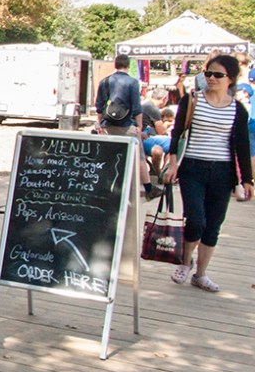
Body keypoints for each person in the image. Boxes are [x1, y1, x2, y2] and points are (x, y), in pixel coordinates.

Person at [164, 54, 253, 292]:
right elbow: (177, 134)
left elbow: (242, 146)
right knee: (196, 220)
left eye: (218, 75)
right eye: (208, 74)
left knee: (213, 224)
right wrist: (172, 163)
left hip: (222, 172)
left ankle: (200, 274)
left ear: (231, 80)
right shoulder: (192, 100)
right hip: (192, 167)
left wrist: (247, 179)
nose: (211, 79)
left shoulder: (238, 110)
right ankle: (185, 262)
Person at [96, 54, 160, 200]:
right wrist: (138, 126)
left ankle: (106, 188)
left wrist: (99, 123)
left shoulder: (104, 81)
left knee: (109, 157)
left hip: (108, 125)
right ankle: (149, 189)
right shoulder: (132, 83)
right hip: (126, 125)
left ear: (115, 64)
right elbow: (137, 107)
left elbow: (99, 105)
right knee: (139, 157)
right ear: (128, 65)